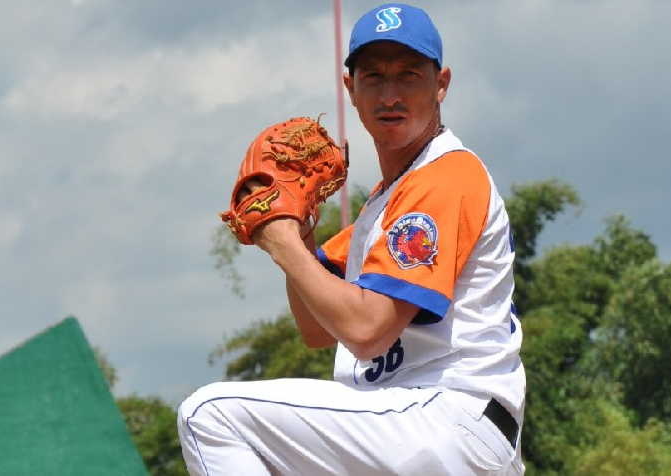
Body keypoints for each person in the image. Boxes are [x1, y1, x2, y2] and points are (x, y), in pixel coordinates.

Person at [177, 3, 525, 475]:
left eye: (408, 75)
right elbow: (318, 328)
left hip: (446, 417)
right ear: (351, 90)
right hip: (411, 428)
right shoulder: (384, 205)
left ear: (441, 84)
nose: (391, 94)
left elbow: (366, 330)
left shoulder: (446, 175)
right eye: (374, 77)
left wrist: (277, 240)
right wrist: (300, 235)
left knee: (210, 417)